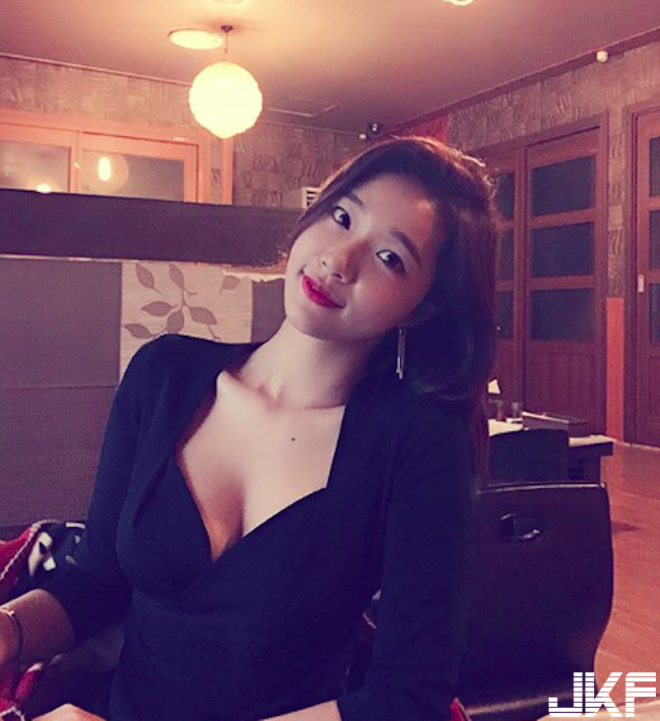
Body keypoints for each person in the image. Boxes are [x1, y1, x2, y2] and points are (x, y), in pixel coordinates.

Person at [0, 136, 497, 721]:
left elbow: (409, 697)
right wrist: (8, 631)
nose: (340, 260)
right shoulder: (163, 375)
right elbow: (96, 582)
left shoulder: (419, 445)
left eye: (391, 257)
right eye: (343, 217)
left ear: (423, 306)